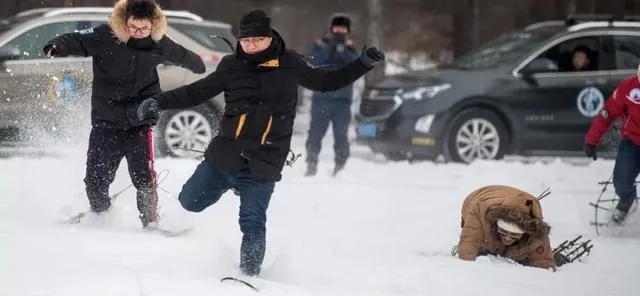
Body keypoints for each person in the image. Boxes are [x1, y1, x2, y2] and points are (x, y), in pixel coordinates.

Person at [136, 9, 385, 276]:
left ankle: (249, 275)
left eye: (257, 40)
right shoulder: (230, 66)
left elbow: (327, 82)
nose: (251, 46)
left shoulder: (290, 63)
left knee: (253, 222)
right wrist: (158, 102)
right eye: (246, 41)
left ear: (269, 38)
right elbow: (197, 91)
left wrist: (362, 64)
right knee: (190, 201)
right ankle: (223, 191)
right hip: (225, 156)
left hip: (263, 162)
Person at [43, 0, 205, 228]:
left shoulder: (159, 43)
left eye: (144, 29)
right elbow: (76, 39)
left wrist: (198, 64)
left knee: (144, 179)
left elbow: (186, 57)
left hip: (139, 122)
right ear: (124, 22)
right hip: (105, 121)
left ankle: (150, 223)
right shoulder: (105, 35)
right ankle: (100, 217)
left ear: (153, 25)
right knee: (95, 180)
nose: (139, 34)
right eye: (133, 28)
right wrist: (57, 46)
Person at [304, 13, 360, 177]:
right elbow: (316, 62)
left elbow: (355, 65)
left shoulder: (350, 48)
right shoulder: (319, 45)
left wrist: (342, 49)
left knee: (341, 136)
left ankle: (340, 166)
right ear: (330, 29)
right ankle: (311, 164)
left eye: (343, 29)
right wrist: (330, 47)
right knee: (315, 133)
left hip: (342, 101)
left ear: (347, 30)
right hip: (321, 99)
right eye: (337, 28)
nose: (339, 31)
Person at [584, 69, 640, 224]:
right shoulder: (628, 87)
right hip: (632, 142)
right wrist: (591, 141)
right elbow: (607, 113)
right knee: (621, 180)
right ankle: (626, 200)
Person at [455, 185, 556, 270]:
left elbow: (544, 262)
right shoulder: (479, 210)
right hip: (477, 197)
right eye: (503, 232)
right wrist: (466, 267)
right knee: (480, 246)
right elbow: (469, 241)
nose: (507, 238)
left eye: (514, 235)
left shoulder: (535, 230)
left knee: (521, 255)